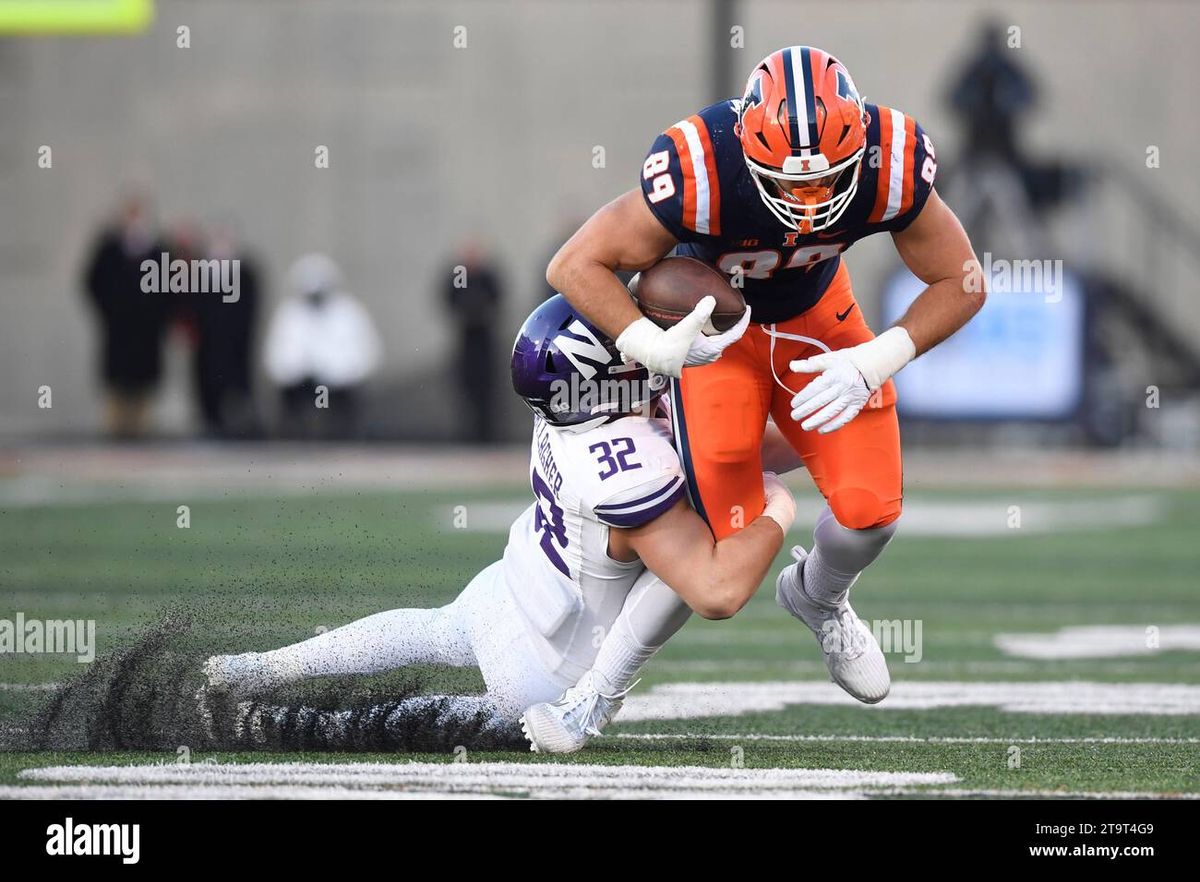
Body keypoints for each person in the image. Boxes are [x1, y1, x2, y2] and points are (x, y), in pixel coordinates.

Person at [547, 46, 986, 703]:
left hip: (823, 323)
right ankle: (603, 672)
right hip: (718, 337)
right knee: (726, 535)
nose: (808, 199)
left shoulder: (888, 160)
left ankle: (821, 598)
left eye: (825, 180)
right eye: (787, 181)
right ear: (748, 151)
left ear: (859, 151)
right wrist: (651, 343)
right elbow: (574, 265)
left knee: (873, 514)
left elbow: (965, 280)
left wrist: (876, 358)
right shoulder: (702, 165)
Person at [202, 295, 797, 752]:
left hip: (511, 587)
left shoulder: (565, 416)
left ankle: (255, 670)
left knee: (426, 631)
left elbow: (714, 445)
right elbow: (718, 590)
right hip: (550, 670)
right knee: (702, 545)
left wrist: (810, 436)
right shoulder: (629, 460)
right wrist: (778, 510)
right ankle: (587, 707)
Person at [262, 254, 382, 438]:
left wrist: (338, 372)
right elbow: (278, 354)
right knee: (296, 407)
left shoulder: (348, 312)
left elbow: (366, 352)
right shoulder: (290, 314)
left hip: (340, 384)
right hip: (302, 384)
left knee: (340, 411)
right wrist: (297, 370)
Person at [81, 192, 170, 438]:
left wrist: (156, 316)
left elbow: (169, 291)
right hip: (118, 331)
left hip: (146, 334)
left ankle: (141, 431)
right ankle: (115, 431)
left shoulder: (158, 251)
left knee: (142, 388)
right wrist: (110, 310)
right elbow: (92, 283)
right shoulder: (109, 249)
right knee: (117, 387)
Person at [442, 239, 505, 443]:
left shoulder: (487, 275)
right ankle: (468, 434)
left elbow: (497, 299)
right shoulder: (460, 275)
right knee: (466, 388)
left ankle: (487, 434)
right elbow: (452, 297)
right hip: (466, 339)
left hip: (485, 340)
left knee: (486, 388)